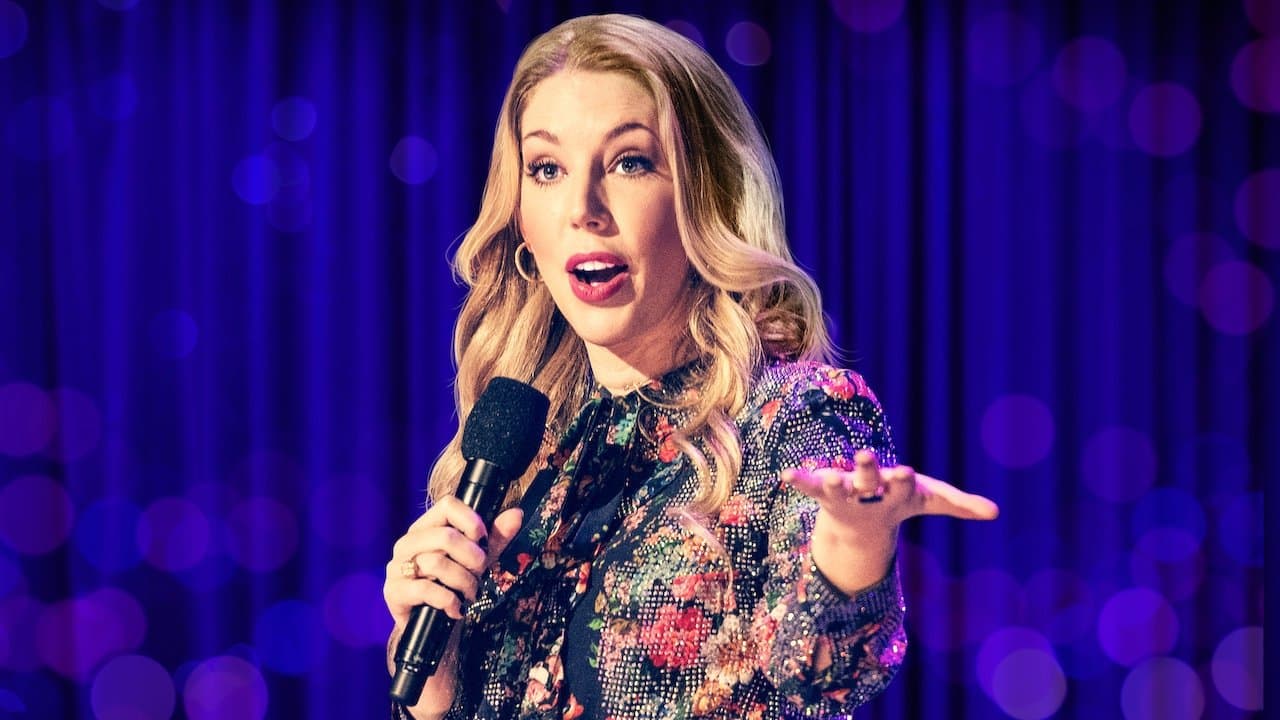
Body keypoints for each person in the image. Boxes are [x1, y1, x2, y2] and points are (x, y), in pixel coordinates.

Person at [384, 13, 998, 720]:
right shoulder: (526, 450)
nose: (582, 209)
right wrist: (433, 681)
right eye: (547, 169)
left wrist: (855, 544)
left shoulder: (793, 414)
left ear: (706, 197)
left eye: (629, 162)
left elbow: (824, 679)